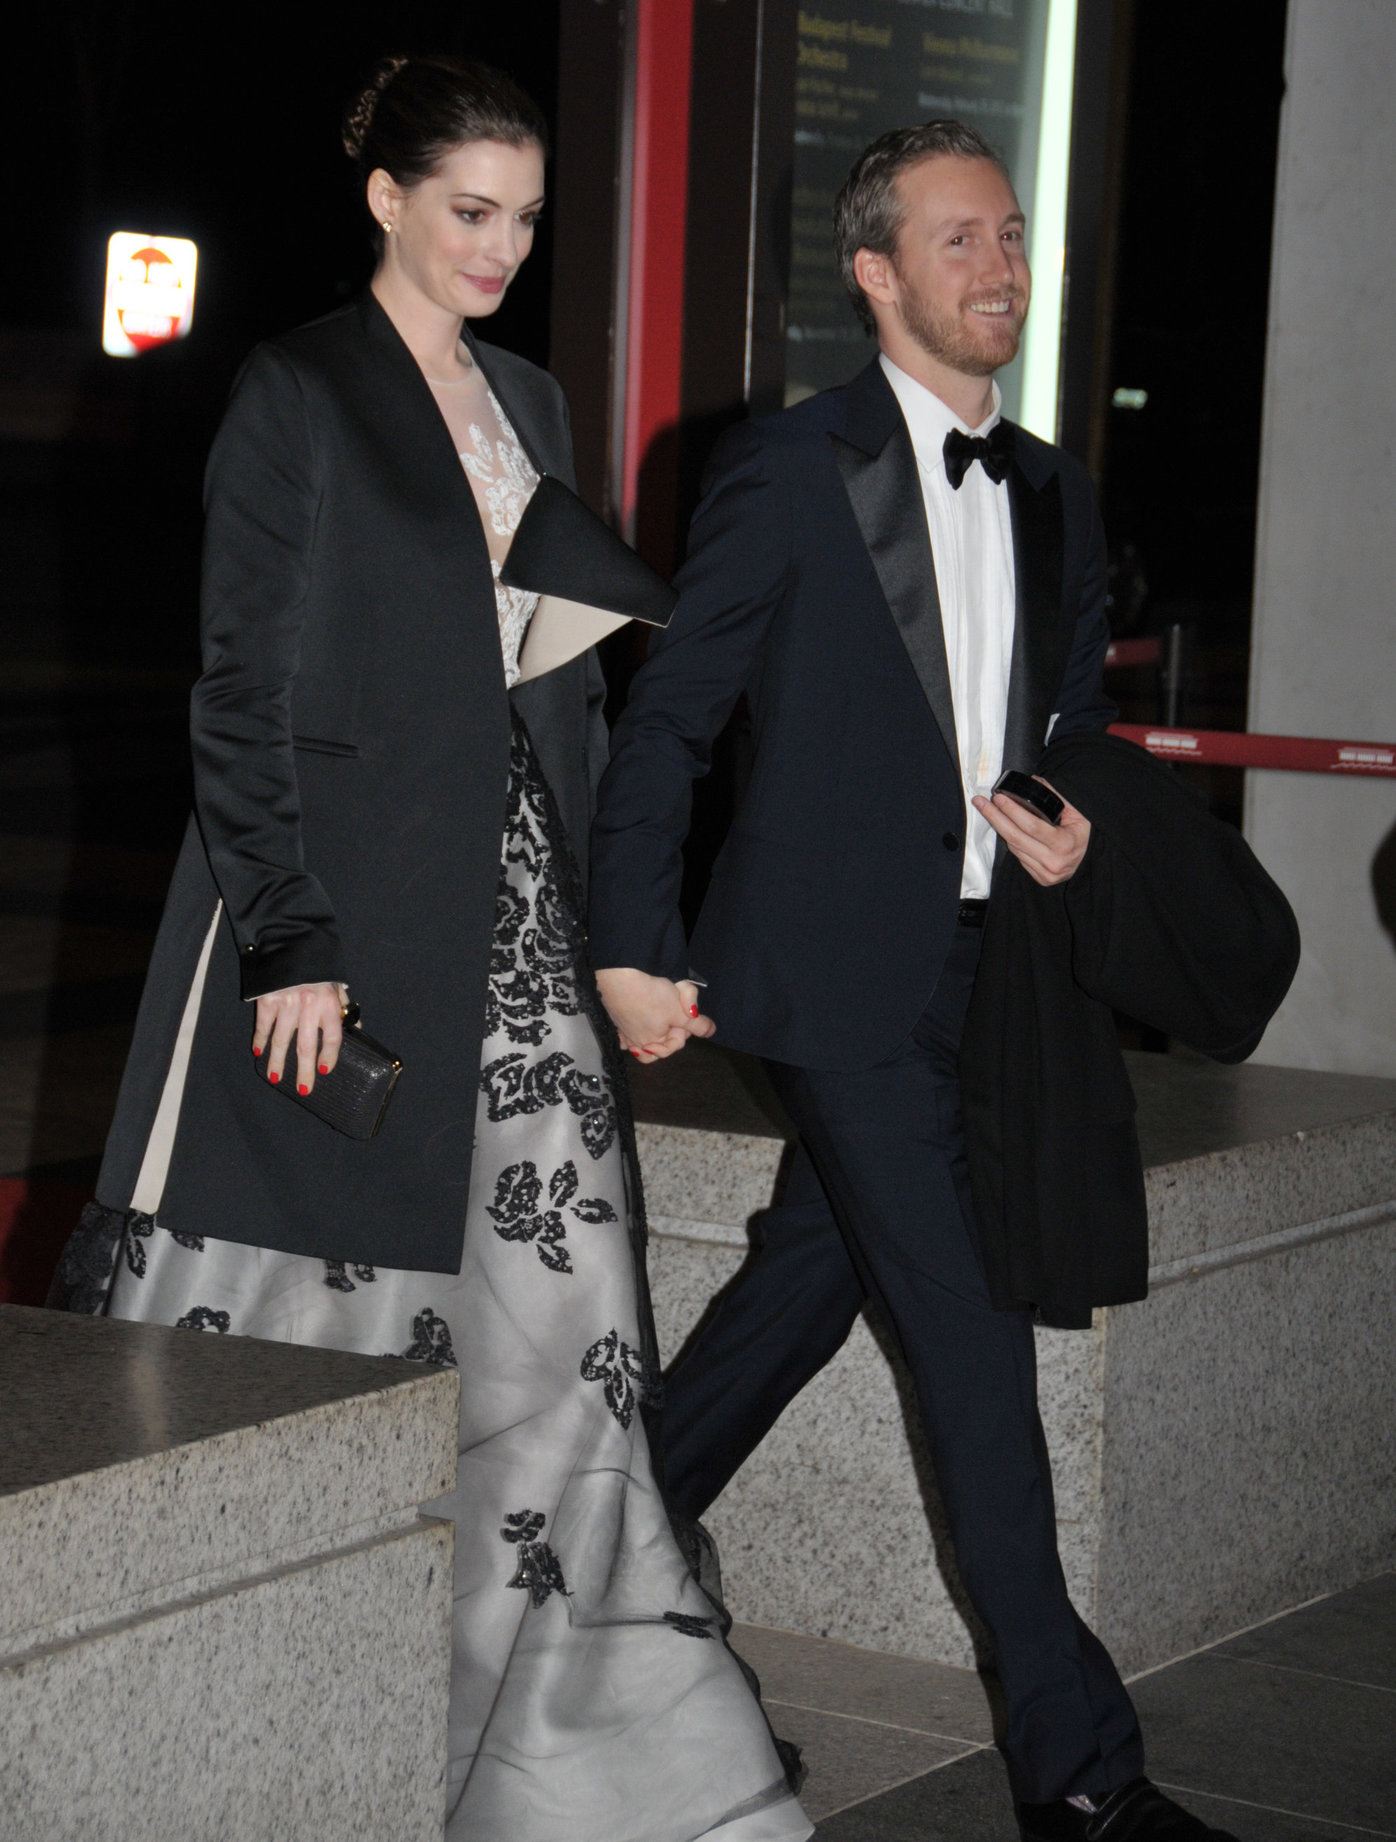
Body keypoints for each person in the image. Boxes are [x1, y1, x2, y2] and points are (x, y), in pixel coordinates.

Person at [47, 53, 810, 1842]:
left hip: (519, 928)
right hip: (343, 921)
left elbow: (572, 708)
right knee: (315, 1320)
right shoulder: (298, 389)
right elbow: (239, 692)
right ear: (385, 196)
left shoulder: (528, 397)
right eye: (471, 210)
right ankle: (275, 1716)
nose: (501, 248)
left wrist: (624, 937)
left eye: (526, 219)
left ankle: (570, 1734)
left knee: (574, 1331)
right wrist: (288, 938)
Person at [588, 122, 1239, 1842]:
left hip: (994, 973)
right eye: (960, 240)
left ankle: (597, 1538)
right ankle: (1083, 1773)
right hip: (831, 977)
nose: (999, 266)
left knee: (811, 1280)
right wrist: (631, 940)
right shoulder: (786, 467)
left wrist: (1072, 819)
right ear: (876, 273)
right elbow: (672, 717)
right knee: (973, 1349)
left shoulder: (1054, 489)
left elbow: (1073, 723)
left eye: (1010, 235)